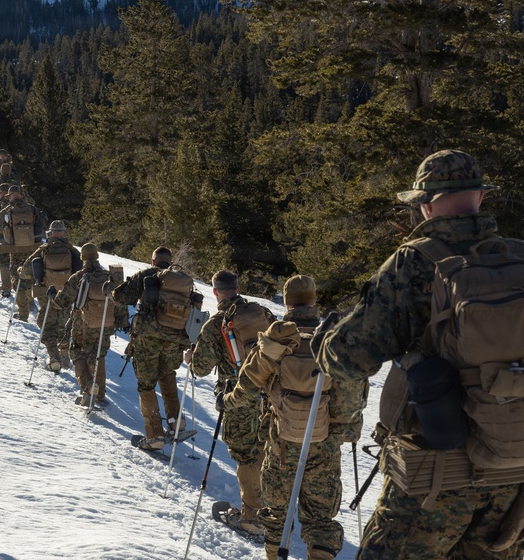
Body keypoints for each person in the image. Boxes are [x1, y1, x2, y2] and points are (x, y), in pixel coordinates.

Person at [314, 149, 524, 559]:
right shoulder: (518, 256)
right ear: (480, 197)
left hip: (436, 474)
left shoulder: (414, 263)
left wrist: (325, 343)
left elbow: (348, 357)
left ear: (425, 204)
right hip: (513, 469)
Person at [223, 276, 363, 560]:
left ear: (286, 303)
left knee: (276, 515)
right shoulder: (334, 339)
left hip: (281, 444)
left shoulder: (278, 338)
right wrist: (340, 434)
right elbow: (354, 398)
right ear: (313, 301)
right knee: (321, 522)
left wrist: (228, 402)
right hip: (323, 446)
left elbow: (247, 388)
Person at [184, 269, 275, 535]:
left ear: (215, 291)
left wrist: (190, 360)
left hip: (236, 398)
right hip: (269, 395)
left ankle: (251, 517)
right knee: (264, 450)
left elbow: (200, 368)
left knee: (245, 455)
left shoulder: (217, 323)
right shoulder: (262, 313)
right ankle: (267, 507)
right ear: (236, 287)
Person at [112, 246, 201, 451]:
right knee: (167, 375)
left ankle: (154, 436)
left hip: (147, 339)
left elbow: (120, 297)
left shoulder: (146, 275)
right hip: (174, 340)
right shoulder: (183, 281)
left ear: (153, 261)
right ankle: (176, 424)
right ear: (170, 262)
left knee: (146, 384)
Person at [51, 243, 127, 406]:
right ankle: (99, 395)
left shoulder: (78, 277)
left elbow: (61, 302)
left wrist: (52, 297)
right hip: (106, 325)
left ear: (82, 258)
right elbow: (120, 302)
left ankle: (88, 388)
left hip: (83, 325)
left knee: (77, 353)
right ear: (97, 257)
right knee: (98, 355)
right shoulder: (110, 277)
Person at [19, 220, 82, 371]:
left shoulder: (44, 249)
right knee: (64, 325)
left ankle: (54, 357)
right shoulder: (72, 250)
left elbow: (27, 271)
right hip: (67, 295)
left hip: (47, 294)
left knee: (47, 326)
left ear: (51, 233)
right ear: (64, 233)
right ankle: (65, 356)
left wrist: (20, 271)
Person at [0, 185, 43, 312]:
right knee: (30, 278)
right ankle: (31, 303)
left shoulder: (6, 211)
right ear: (21, 194)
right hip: (32, 250)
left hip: (15, 252)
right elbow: (43, 224)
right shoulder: (32, 209)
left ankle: (23, 312)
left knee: (18, 282)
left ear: (9, 197)